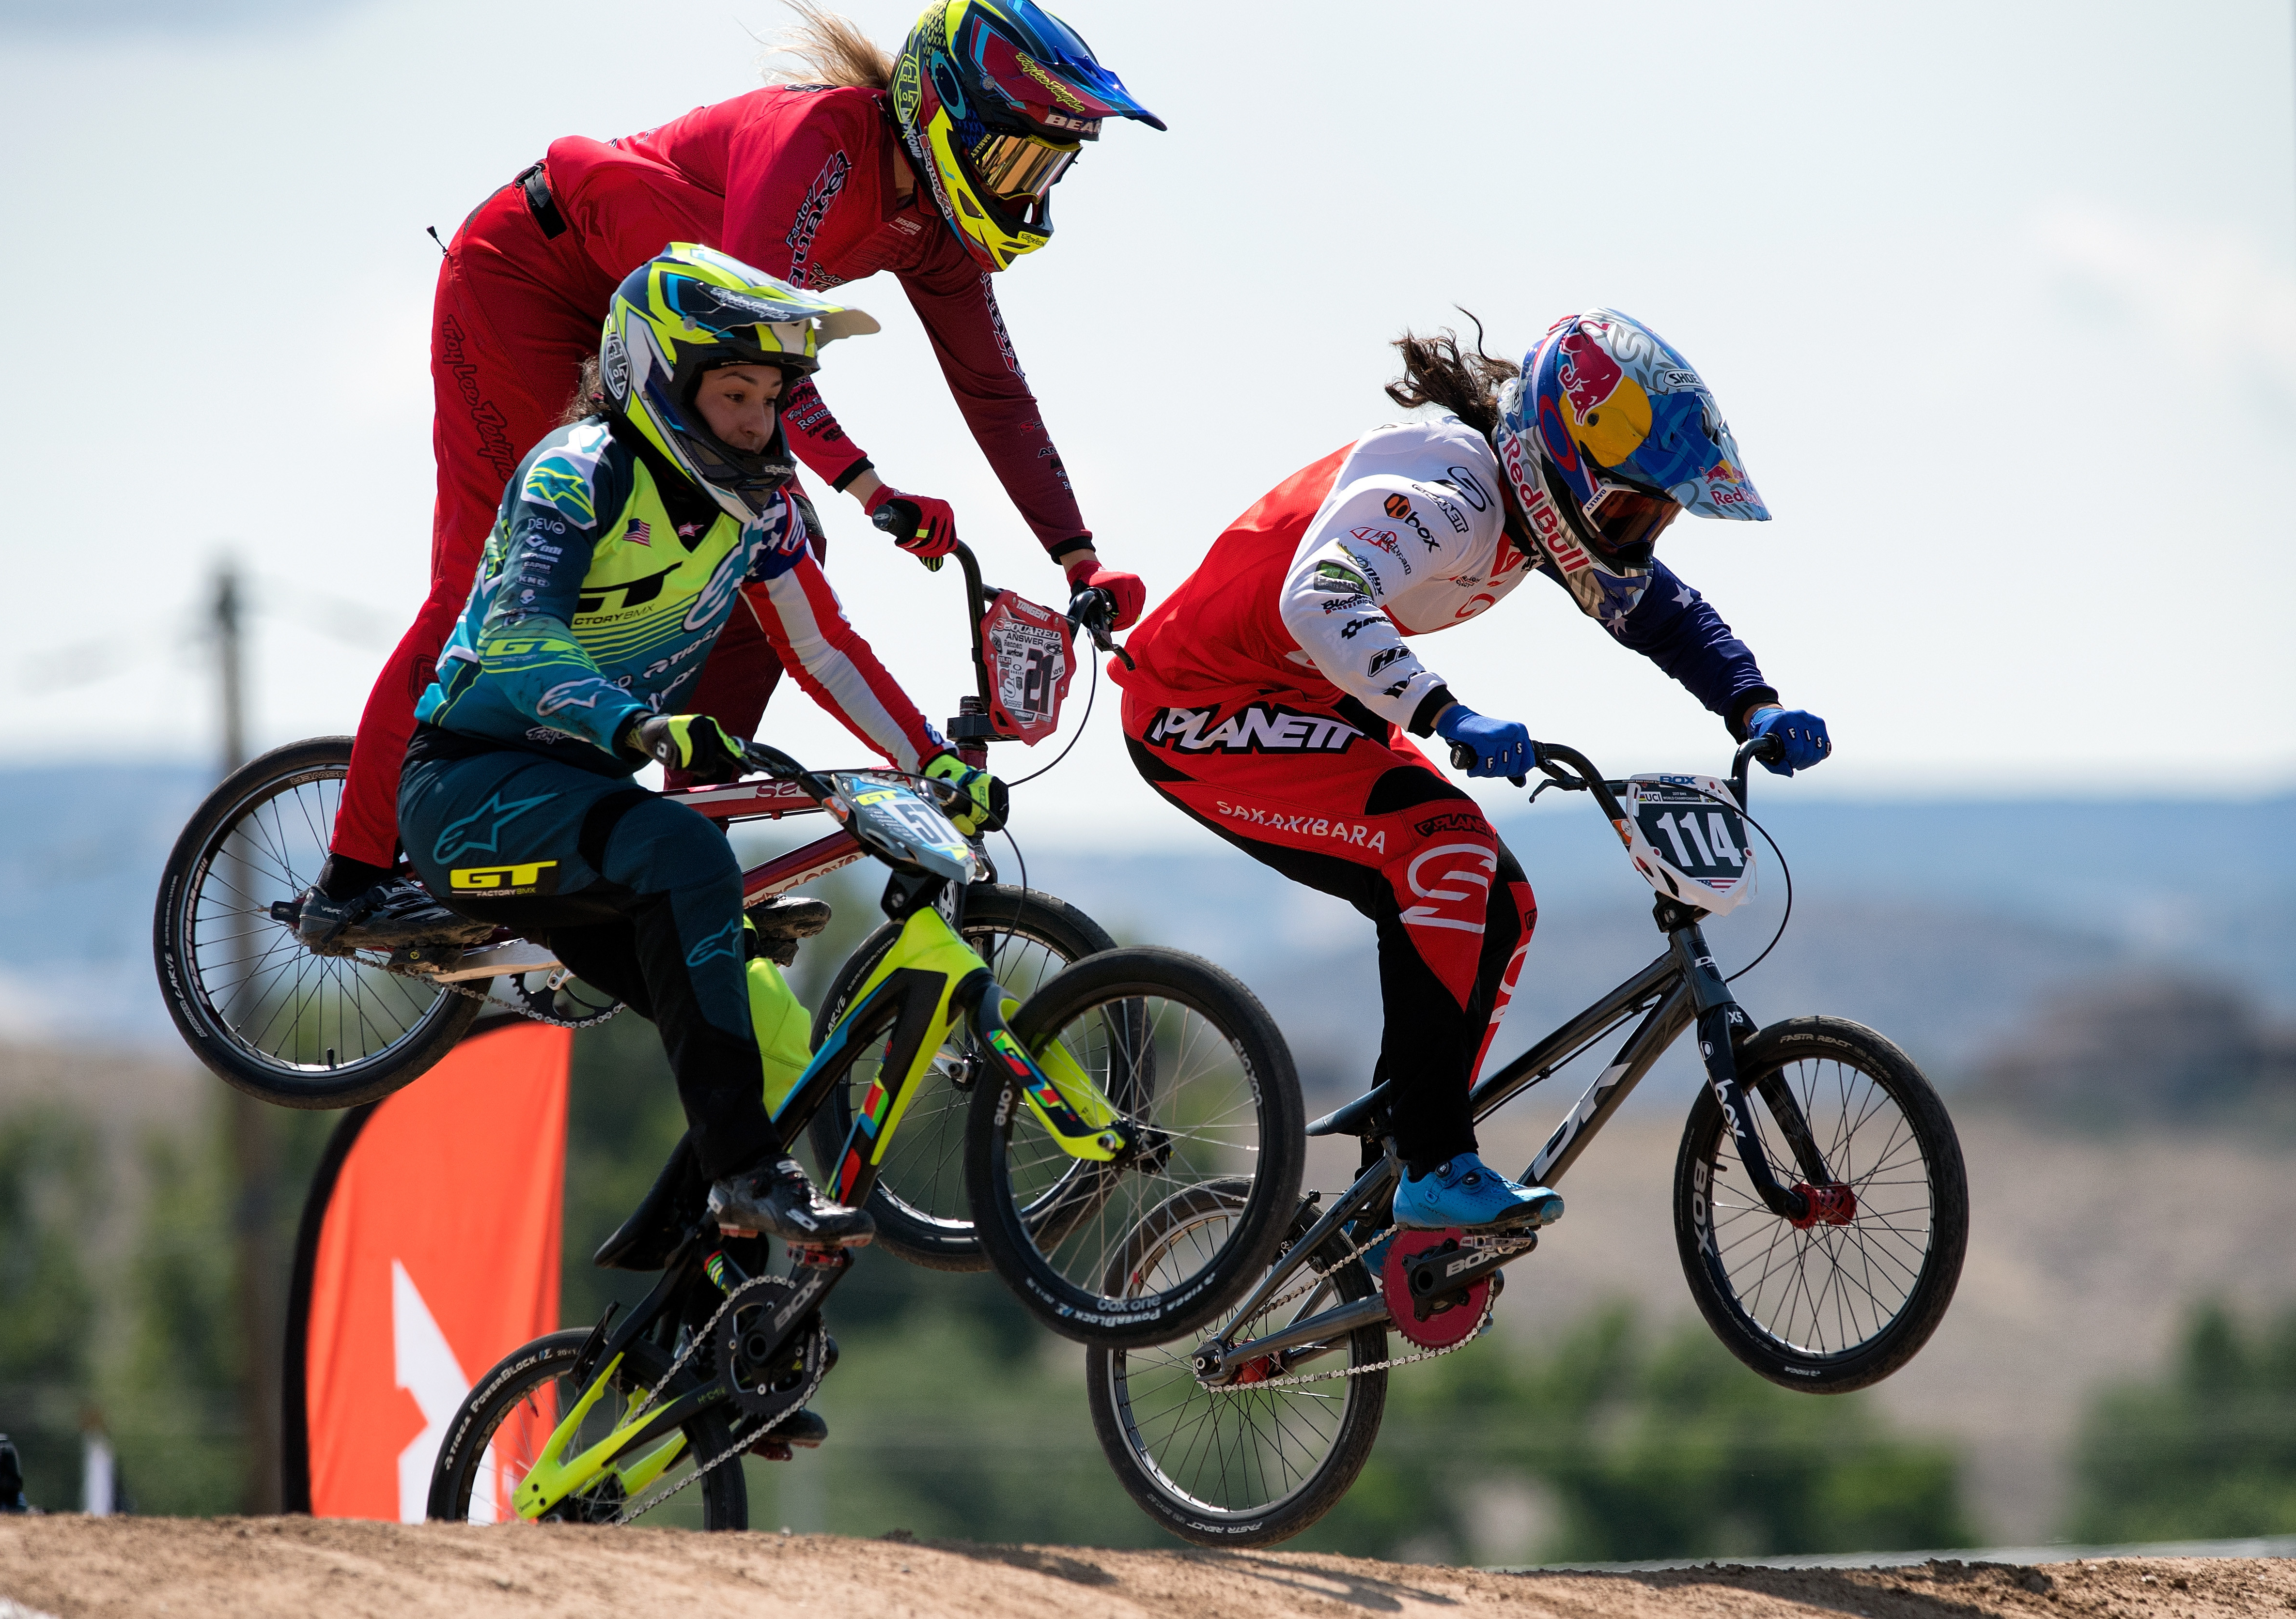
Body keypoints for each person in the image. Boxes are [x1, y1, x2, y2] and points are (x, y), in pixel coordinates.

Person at [302, 0, 1159, 948]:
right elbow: (754, 340)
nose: (1026, 189)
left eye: (1048, 168)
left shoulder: (937, 238)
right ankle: (353, 876)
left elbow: (996, 394)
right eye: (1013, 158)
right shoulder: (820, 141)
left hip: (669, 348)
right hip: (534, 286)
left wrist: (1080, 558)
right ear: (939, 111)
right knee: (485, 584)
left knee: (767, 563)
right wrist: (870, 485)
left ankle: (676, 842)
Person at [1114, 308, 1832, 1234]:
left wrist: (1754, 703)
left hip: (1302, 698)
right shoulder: (1451, 494)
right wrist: (1444, 712)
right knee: (1443, 853)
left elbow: (1666, 617)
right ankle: (1435, 1159)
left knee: (1503, 900)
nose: (1633, 539)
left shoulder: (1539, 514)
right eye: (1625, 510)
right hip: (1196, 705)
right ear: (1560, 464)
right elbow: (1317, 595)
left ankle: (1393, 1175)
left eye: (1655, 521)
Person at [395, 243, 1007, 1247]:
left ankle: (700, 1330)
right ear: (657, 376)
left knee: (761, 1015)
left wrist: (930, 760)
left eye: (770, 399)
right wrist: (630, 722)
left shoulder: (757, 513)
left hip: (590, 819)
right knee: (691, 856)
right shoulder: (575, 474)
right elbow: (517, 636)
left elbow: (824, 647)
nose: (758, 424)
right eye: (733, 394)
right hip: (473, 790)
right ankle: (743, 1179)